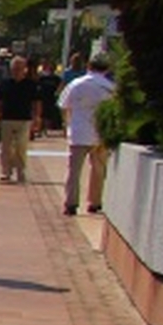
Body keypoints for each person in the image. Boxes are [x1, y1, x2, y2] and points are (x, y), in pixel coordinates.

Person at [58, 52, 116, 216]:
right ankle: (95, 202)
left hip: (78, 132)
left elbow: (63, 105)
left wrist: (66, 124)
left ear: (89, 66)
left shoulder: (76, 84)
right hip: (100, 134)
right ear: (106, 68)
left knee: (74, 170)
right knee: (98, 169)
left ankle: (71, 203)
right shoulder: (110, 87)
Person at [0, 55, 41, 184]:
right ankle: (6, 171)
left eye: (20, 68)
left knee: (21, 146)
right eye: (14, 68)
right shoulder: (4, 83)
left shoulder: (31, 84)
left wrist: (37, 117)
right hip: (6, 118)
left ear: (25, 69)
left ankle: (20, 171)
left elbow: (36, 102)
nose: (17, 70)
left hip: (24, 118)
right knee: (6, 146)